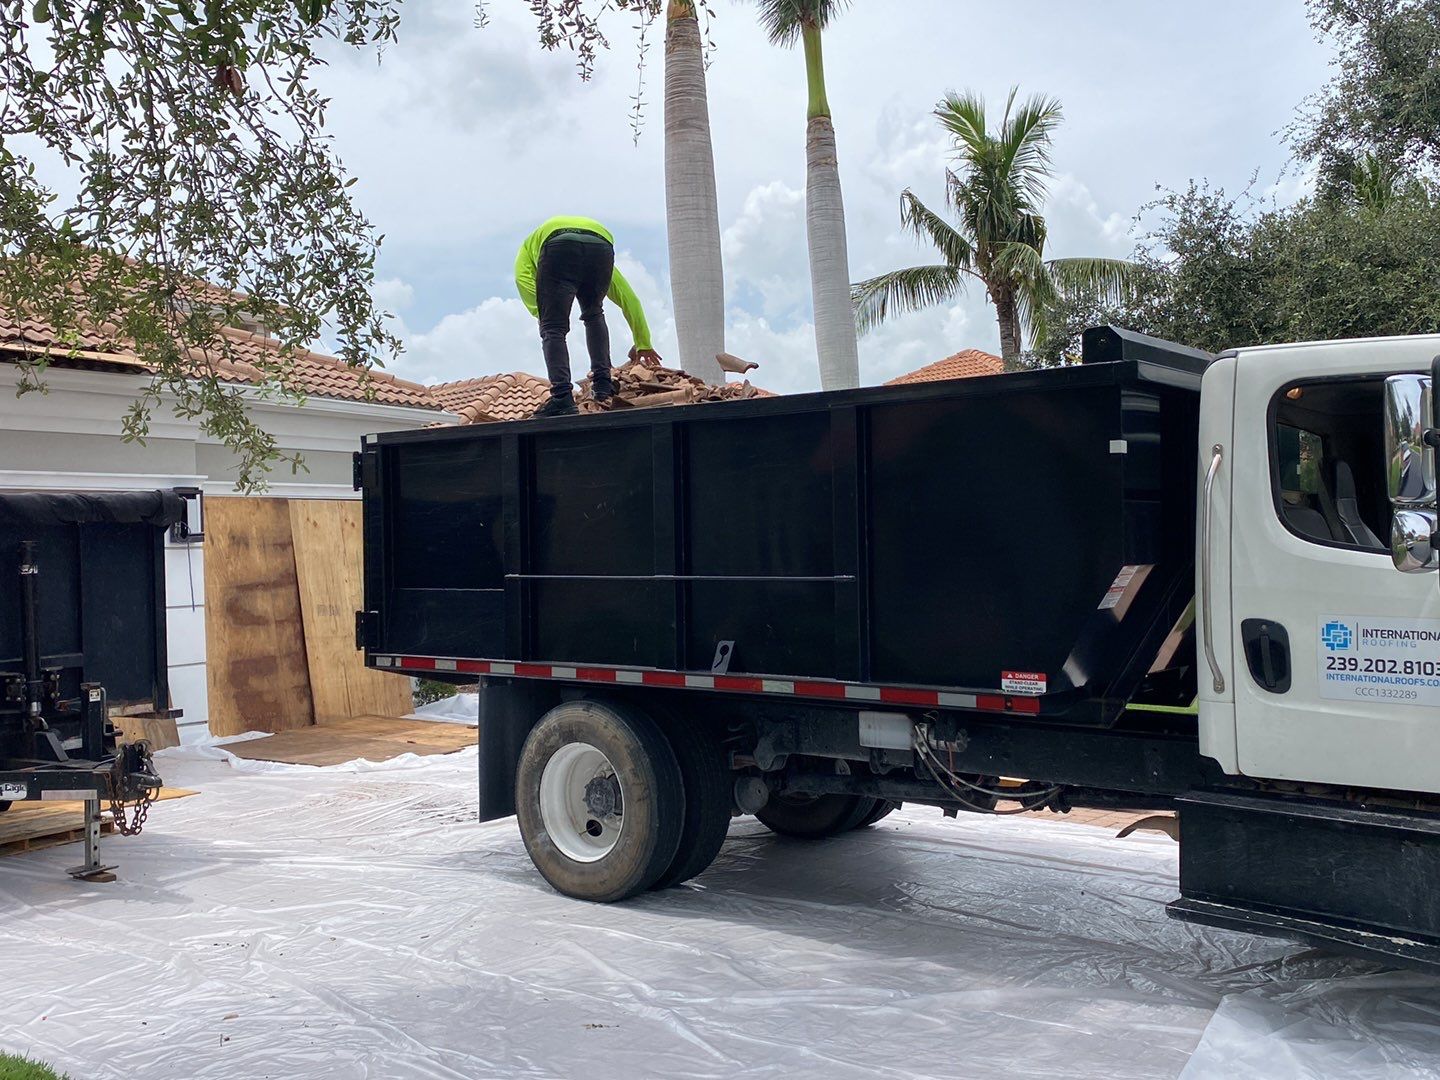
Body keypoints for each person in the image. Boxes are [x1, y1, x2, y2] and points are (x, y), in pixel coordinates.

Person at [514, 216, 663, 417]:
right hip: (601, 244)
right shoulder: (605, 265)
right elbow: (631, 300)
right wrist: (643, 342)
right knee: (594, 313)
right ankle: (603, 386)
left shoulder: (526, 250)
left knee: (553, 328)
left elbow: (521, 278)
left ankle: (562, 398)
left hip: (557, 243)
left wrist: (543, 314)